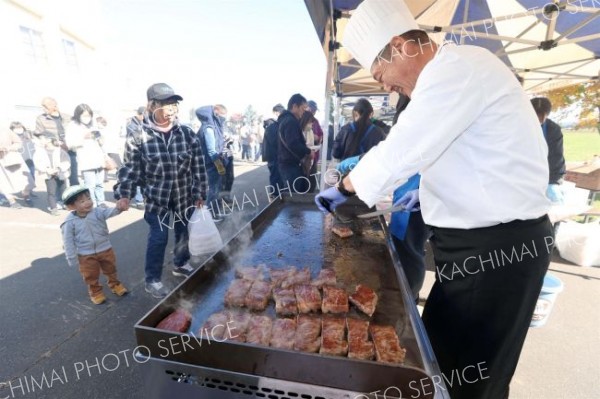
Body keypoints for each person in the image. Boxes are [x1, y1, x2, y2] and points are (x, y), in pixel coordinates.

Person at [315, 1, 552, 398]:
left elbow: (404, 146)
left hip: (501, 249)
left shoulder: (458, 68)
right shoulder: (449, 75)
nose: (385, 86)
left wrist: (345, 189)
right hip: (471, 246)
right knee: (437, 359)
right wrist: (428, 198)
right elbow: (464, 158)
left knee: (475, 378)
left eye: (381, 74)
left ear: (401, 46)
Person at [114, 83, 207, 299]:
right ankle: (152, 279)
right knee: (159, 237)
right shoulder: (139, 137)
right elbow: (130, 168)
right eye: (167, 103)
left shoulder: (186, 133)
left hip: (184, 196)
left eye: (174, 103)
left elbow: (199, 165)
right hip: (157, 199)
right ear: (152, 105)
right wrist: (124, 194)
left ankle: (181, 263)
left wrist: (200, 192)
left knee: (184, 231)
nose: (172, 108)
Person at [61, 185, 128, 305]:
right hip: (85, 254)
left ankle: (115, 284)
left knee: (111, 268)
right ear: (71, 206)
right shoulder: (69, 222)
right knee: (90, 275)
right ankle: (96, 292)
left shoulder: (97, 211)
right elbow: (68, 241)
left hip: (105, 248)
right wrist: (71, 257)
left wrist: (119, 208)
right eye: (82, 201)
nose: (87, 202)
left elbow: (110, 212)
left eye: (88, 198)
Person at [65, 104, 107, 207]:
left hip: (98, 157)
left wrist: (100, 138)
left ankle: (101, 202)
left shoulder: (92, 124)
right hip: (86, 159)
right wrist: (84, 137)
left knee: (99, 183)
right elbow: (69, 144)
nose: (87, 118)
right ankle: (92, 204)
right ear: (78, 115)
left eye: (89, 115)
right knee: (90, 185)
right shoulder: (73, 126)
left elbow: (100, 141)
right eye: (84, 115)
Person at [531, 97, 566, 204]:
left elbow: (556, 157)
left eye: (541, 117)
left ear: (546, 115)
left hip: (543, 175)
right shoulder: (516, 125)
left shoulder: (553, 129)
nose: (537, 120)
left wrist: (553, 182)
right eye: (533, 115)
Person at [196, 104, 228, 221]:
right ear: (216, 113)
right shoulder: (209, 128)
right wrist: (219, 166)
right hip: (211, 165)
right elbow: (211, 151)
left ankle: (217, 211)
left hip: (215, 163)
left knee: (218, 189)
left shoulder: (214, 126)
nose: (224, 118)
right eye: (222, 116)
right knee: (213, 190)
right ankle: (211, 215)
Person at [35, 97, 76, 185]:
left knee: (73, 177)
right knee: (57, 178)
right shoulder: (41, 119)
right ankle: (58, 198)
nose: (43, 109)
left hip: (70, 149)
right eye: (42, 107)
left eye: (45, 106)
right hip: (54, 152)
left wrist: (68, 144)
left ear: (54, 106)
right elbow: (40, 135)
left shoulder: (67, 117)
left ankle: (75, 197)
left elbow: (74, 133)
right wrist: (55, 143)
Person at [278, 94, 311, 194]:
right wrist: (308, 151)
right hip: (290, 165)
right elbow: (293, 143)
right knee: (292, 197)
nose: (304, 111)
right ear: (294, 106)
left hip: (287, 164)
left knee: (292, 194)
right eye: (303, 108)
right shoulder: (290, 121)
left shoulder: (286, 119)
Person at [33, 134, 70, 215]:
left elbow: (67, 161)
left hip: (61, 173)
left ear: (49, 140)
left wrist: (58, 168)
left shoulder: (60, 151)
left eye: (42, 139)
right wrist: (46, 169)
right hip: (48, 175)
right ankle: (54, 208)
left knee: (64, 190)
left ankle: (66, 204)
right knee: (51, 192)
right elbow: (37, 163)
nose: (40, 141)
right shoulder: (39, 152)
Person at [0, 126, 34, 208]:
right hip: (1, 163)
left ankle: (26, 196)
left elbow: (18, 143)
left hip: (12, 158)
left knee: (25, 179)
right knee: (3, 182)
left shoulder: (5, 130)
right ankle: (12, 201)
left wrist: (8, 148)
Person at [125, 106, 147, 209]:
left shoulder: (147, 123)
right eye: (145, 114)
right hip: (135, 154)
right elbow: (137, 137)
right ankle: (139, 200)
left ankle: (145, 197)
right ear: (140, 114)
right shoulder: (131, 124)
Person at [262, 103, 285, 197]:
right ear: (276, 113)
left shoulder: (272, 125)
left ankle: (276, 196)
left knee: (276, 178)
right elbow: (275, 142)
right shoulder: (272, 126)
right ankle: (275, 198)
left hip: (274, 156)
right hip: (274, 157)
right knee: (276, 178)